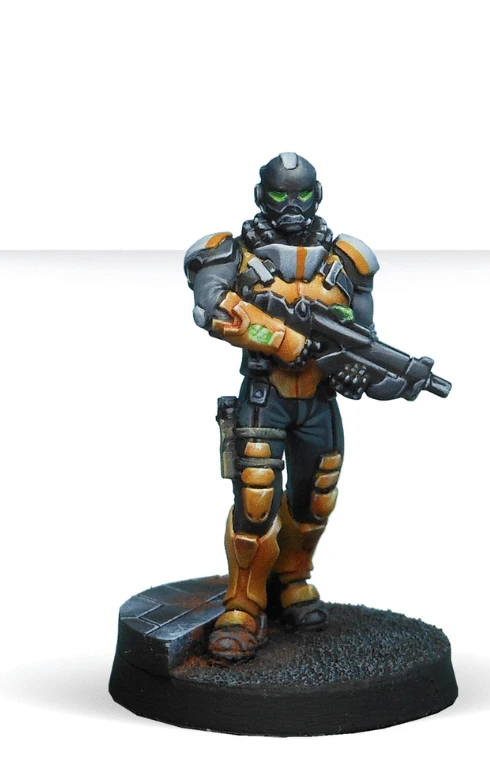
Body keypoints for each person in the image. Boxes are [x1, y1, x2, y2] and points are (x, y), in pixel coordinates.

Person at [184, 153, 380, 662]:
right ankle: (243, 607)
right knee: (255, 504)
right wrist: (283, 340)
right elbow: (212, 306)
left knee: (315, 500)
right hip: (264, 396)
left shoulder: (348, 262)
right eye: (278, 195)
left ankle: (292, 578)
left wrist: (360, 375)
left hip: (319, 399)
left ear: (318, 195)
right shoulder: (231, 254)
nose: (291, 205)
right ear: (260, 196)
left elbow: (365, 339)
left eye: (301, 195)